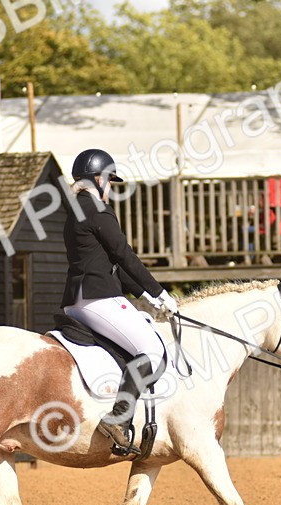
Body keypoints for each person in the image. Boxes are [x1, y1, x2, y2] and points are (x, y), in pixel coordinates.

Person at [60, 148, 177, 456]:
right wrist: (158, 292)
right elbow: (124, 255)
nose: (110, 188)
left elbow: (109, 265)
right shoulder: (97, 209)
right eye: (109, 181)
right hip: (97, 298)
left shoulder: (77, 209)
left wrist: (143, 296)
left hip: (80, 298)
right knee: (152, 349)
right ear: (98, 179)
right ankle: (118, 418)